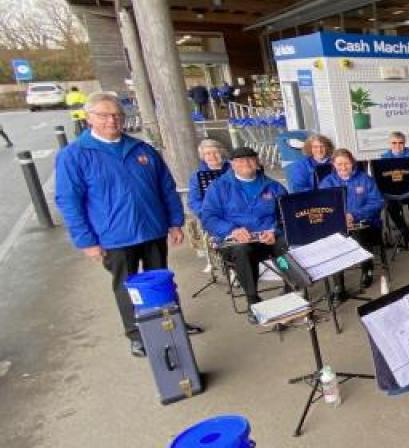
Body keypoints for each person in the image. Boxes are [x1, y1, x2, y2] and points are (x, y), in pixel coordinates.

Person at [55, 92, 197, 357]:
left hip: (152, 229)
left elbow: (166, 188)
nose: (113, 120)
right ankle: (136, 333)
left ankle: (171, 323)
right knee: (126, 287)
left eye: (118, 115)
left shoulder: (142, 149)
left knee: (161, 280)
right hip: (114, 236)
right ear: (89, 119)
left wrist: (175, 222)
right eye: (104, 115)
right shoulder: (74, 155)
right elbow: (69, 201)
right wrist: (87, 242)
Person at [201, 147, 288, 323]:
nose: (246, 163)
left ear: (257, 162)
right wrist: (231, 230)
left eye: (250, 159)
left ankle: (291, 288)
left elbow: (286, 215)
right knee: (242, 250)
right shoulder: (218, 187)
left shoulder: (274, 186)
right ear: (232, 165)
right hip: (236, 242)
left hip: (268, 239)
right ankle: (252, 300)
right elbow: (208, 218)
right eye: (240, 161)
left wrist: (274, 230)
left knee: (285, 242)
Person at [319, 148, 385, 295]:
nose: (343, 167)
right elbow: (321, 208)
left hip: (365, 222)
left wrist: (354, 215)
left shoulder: (365, 179)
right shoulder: (326, 183)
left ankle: (366, 268)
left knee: (360, 237)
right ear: (333, 164)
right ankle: (338, 284)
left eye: (346, 164)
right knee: (333, 242)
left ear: (352, 163)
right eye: (339, 164)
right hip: (337, 225)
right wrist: (339, 219)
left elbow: (377, 202)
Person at [187, 139, 229, 216]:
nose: (212, 156)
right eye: (208, 154)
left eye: (216, 152)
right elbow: (194, 201)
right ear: (203, 157)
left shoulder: (235, 169)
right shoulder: (196, 177)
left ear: (221, 153)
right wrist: (207, 214)